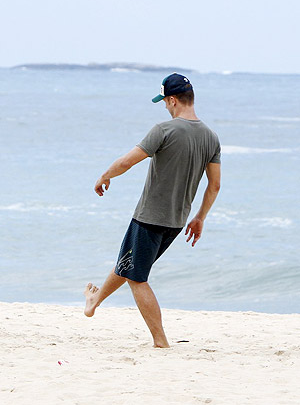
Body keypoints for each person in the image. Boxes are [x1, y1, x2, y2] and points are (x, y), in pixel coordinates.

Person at [83, 73, 221, 348]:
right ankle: (93, 302)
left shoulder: (165, 130)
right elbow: (214, 186)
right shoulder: (211, 137)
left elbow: (127, 162)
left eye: (165, 102)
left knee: (137, 278)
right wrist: (200, 217)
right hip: (177, 220)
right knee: (128, 262)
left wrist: (104, 176)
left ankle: (160, 341)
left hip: (149, 217)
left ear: (172, 100)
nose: (165, 108)